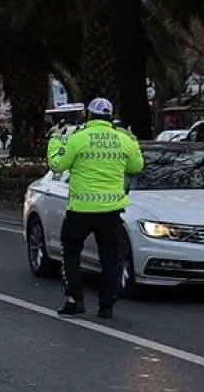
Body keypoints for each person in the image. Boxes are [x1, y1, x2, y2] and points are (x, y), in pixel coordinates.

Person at [46, 97, 144, 319]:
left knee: (71, 253)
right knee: (111, 257)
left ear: (89, 116)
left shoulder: (78, 139)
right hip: (111, 211)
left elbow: (57, 165)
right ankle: (107, 305)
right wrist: (133, 141)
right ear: (110, 117)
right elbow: (136, 167)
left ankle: (75, 300)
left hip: (80, 209)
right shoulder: (123, 140)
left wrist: (55, 140)